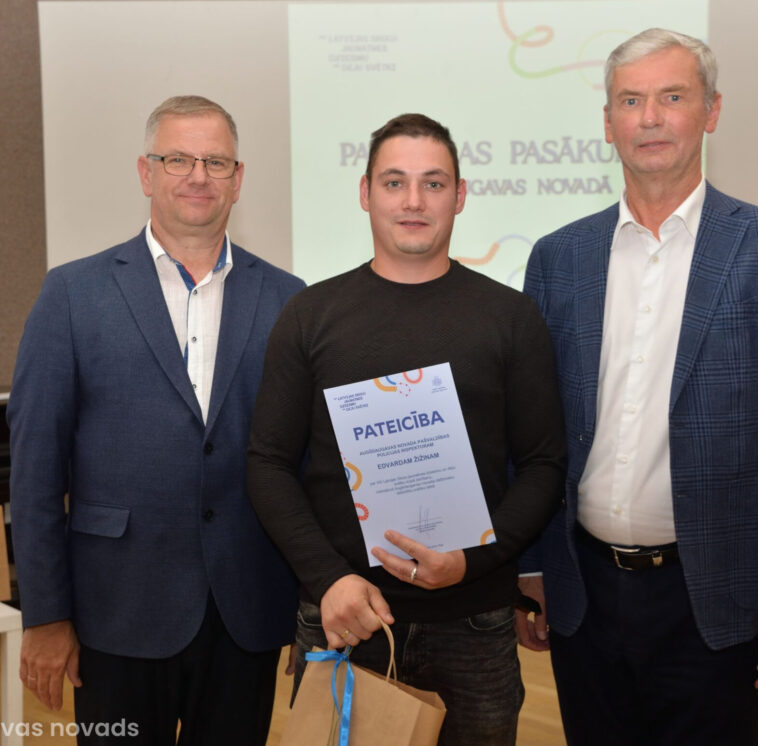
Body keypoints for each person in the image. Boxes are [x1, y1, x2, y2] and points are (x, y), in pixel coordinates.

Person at [517, 28, 758, 745]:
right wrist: (533, 566)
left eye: (672, 97)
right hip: (584, 595)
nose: (650, 118)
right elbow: (536, 434)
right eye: (630, 101)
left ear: (712, 111)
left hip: (720, 598)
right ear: (607, 123)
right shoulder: (557, 258)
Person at [246, 113, 565, 746]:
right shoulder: (310, 315)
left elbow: (543, 464)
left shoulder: (511, 317)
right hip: (343, 616)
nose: (413, 201)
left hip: (474, 621)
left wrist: (473, 560)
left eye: (433, 183)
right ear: (366, 194)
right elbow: (268, 463)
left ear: (460, 195)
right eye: (394, 183)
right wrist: (328, 579)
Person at [8, 95, 305, 745]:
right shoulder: (72, 294)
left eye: (216, 162)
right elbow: (34, 472)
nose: (198, 176)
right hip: (115, 613)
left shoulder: (290, 300)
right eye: (178, 160)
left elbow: (306, 466)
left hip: (246, 613)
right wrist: (45, 615)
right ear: (146, 173)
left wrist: (309, 604)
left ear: (238, 179)